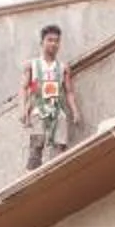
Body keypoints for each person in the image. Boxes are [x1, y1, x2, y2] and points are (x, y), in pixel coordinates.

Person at [20, 24, 81, 170]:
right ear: (42, 42)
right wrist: (22, 109)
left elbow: (69, 91)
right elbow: (24, 88)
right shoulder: (32, 65)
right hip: (38, 109)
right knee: (37, 143)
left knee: (60, 145)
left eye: (56, 41)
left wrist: (75, 111)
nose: (53, 44)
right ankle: (32, 173)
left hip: (57, 109)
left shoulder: (63, 67)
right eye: (50, 40)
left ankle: (58, 173)